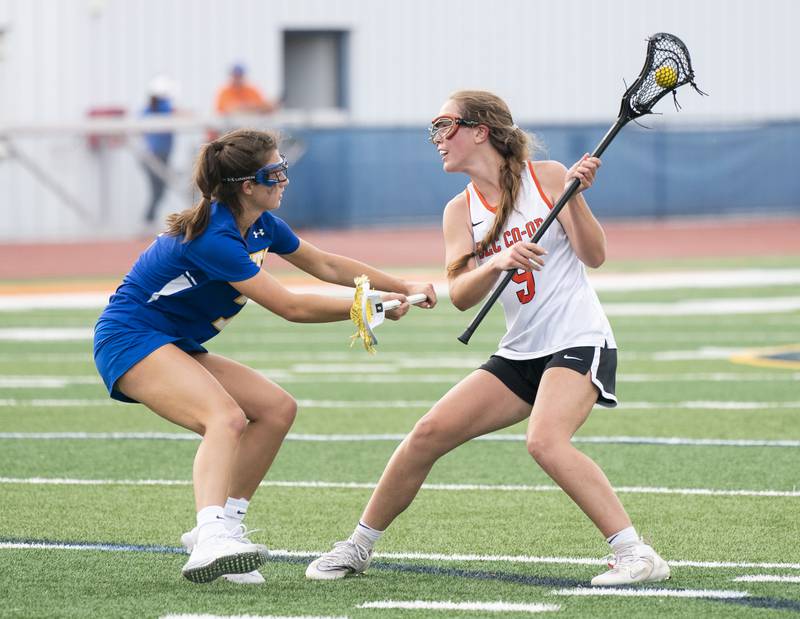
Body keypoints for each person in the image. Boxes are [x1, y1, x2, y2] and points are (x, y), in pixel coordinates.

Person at [306, 90, 670, 587]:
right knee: (427, 435)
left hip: (577, 338)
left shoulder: (546, 178)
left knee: (544, 441)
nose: (437, 138)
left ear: (481, 130)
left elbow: (595, 255)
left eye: (445, 125)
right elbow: (459, 293)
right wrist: (498, 260)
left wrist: (577, 196)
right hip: (520, 349)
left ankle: (636, 553)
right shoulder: (459, 210)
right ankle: (358, 546)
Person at [93, 128, 436, 584]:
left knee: (276, 409)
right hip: (130, 338)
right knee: (225, 418)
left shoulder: (260, 224)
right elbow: (289, 307)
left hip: (172, 341)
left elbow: (327, 264)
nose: (285, 180)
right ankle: (210, 533)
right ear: (246, 186)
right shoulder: (215, 236)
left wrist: (401, 286)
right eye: (275, 172)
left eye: (284, 169)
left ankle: (226, 526)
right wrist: (368, 307)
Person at [141, 75, 176, 227]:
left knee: (159, 191)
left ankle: (149, 220)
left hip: (160, 155)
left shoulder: (159, 108)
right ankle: (148, 220)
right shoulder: (156, 109)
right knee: (157, 191)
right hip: (154, 156)